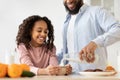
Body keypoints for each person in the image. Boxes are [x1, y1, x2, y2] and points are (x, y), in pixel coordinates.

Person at [57, 0, 120, 73]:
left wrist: (95, 43)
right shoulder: (66, 21)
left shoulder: (97, 11)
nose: (69, 1)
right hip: (71, 75)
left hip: (94, 76)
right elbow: (67, 51)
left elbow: (117, 29)